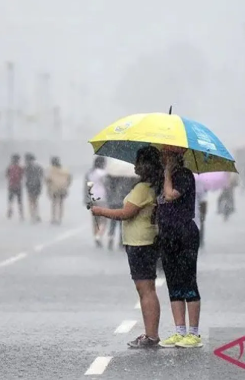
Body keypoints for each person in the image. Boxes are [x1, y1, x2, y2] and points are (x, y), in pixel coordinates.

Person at [91, 146, 163, 348]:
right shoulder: (152, 186)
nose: (136, 165)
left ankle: (151, 335)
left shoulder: (143, 189)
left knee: (145, 289)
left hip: (140, 242)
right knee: (146, 289)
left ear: (146, 165)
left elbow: (126, 213)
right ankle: (151, 333)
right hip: (145, 240)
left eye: (139, 162)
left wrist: (100, 211)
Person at [156, 146, 203, 348]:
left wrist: (167, 173)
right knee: (173, 283)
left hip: (185, 234)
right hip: (167, 235)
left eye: (166, 156)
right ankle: (179, 331)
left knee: (188, 281)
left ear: (176, 157)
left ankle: (193, 333)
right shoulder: (164, 176)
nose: (163, 159)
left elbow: (169, 195)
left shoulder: (184, 176)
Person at [85, 157, 108, 246]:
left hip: (92, 197)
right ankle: (99, 236)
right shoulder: (103, 174)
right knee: (103, 220)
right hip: (102, 198)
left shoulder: (90, 173)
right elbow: (107, 185)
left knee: (95, 220)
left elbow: (87, 186)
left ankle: (95, 236)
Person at [46, 156, 72, 225]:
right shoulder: (64, 170)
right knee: (61, 203)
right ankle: (59, 218)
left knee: (54, 203)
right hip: (62, 189)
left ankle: (53, 218)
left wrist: (48, 189)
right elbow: (69, 178)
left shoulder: (51, 170)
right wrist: (66, 186)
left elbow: (48, 180)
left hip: (54, 189)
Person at [24, 153, 44, 223]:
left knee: (31, 201)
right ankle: (36, 215)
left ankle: (33, 215)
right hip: (36, 185)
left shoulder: (26, 168)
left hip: (31, 186)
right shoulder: (38, 167)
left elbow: (25, 177)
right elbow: (42, 175)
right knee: (35, 201)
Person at [6, 154, 25, 221]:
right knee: (19, 201)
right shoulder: (20, 168)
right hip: (18, 186)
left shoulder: (9, 167)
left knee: (10, 200)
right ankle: (21, 213)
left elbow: (7, 175)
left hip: (11, 186)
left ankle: (10, 210)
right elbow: (22, 176)